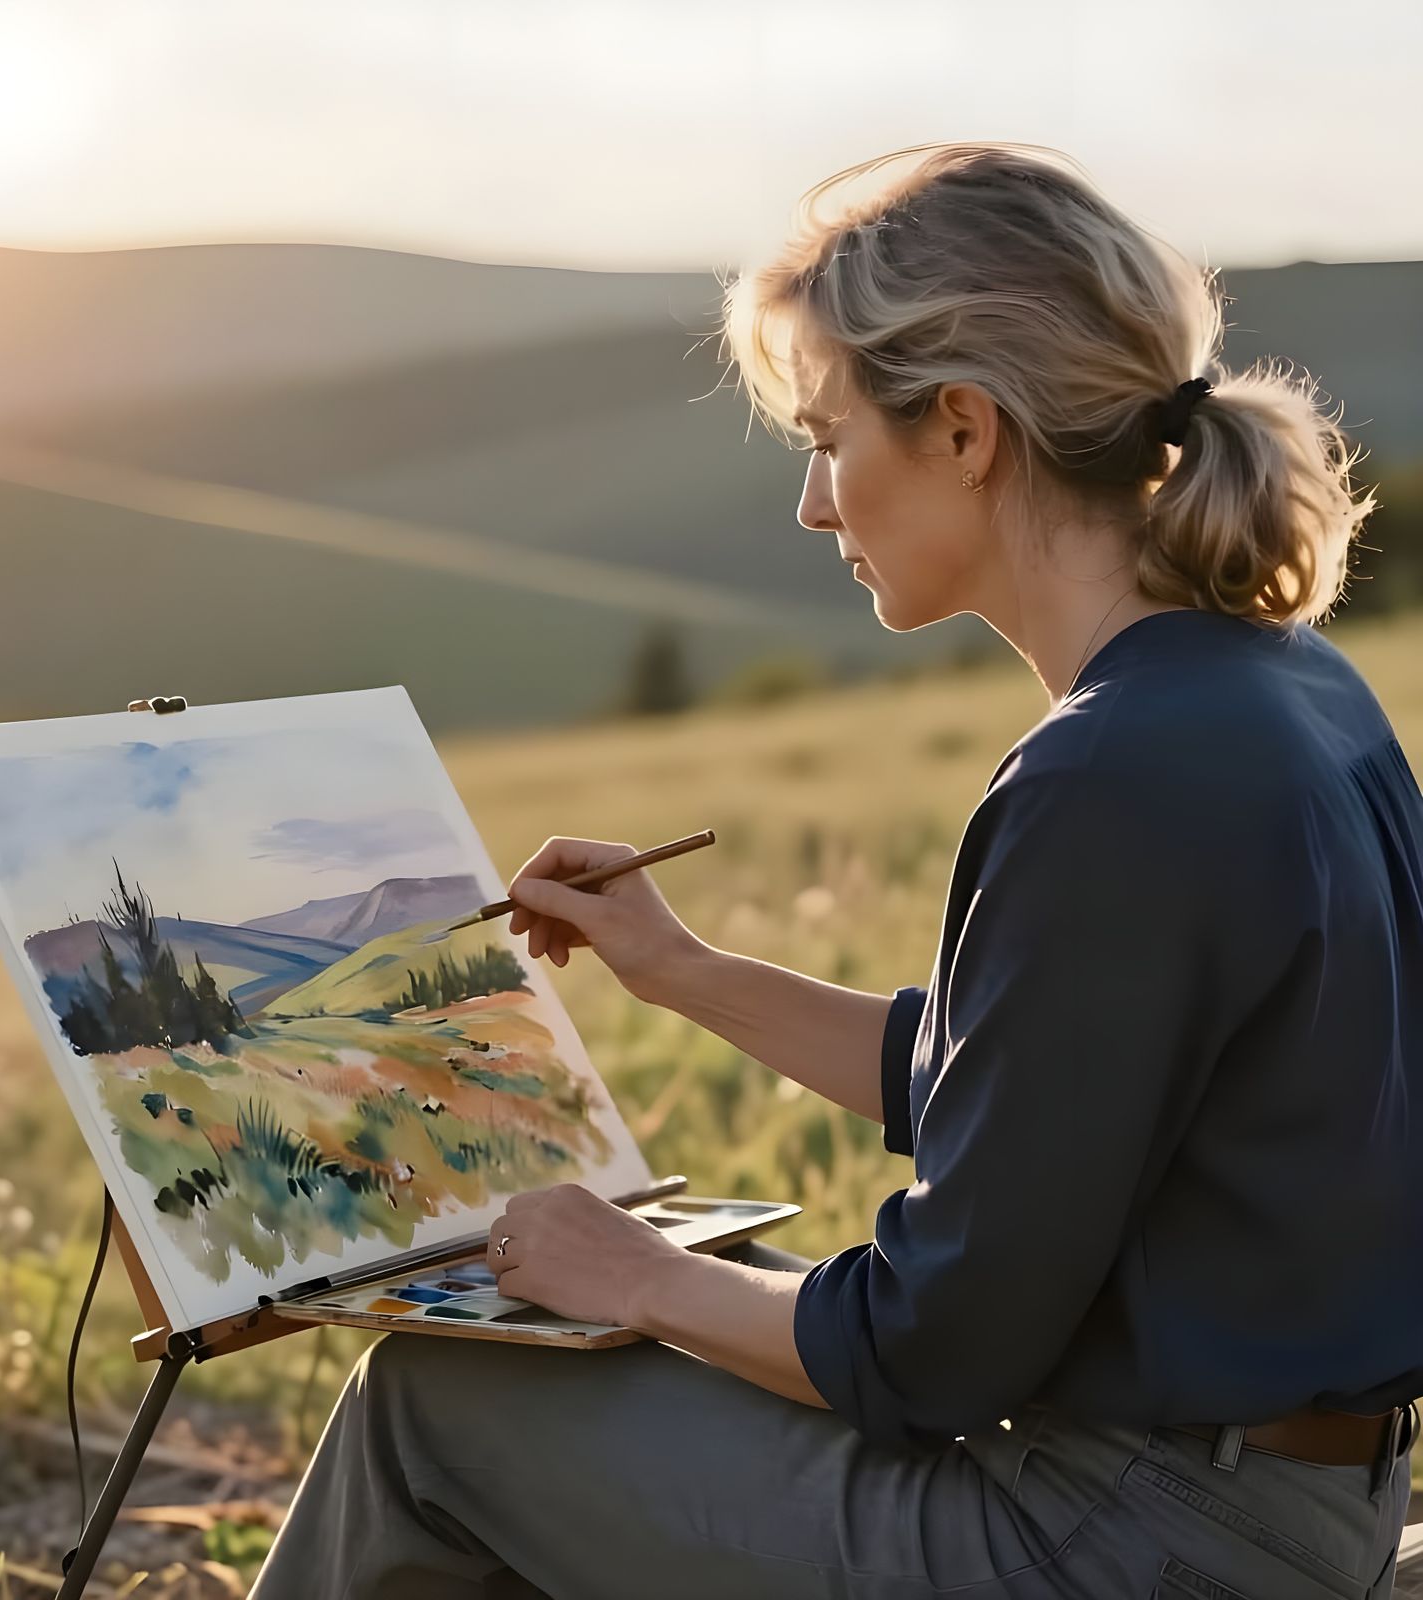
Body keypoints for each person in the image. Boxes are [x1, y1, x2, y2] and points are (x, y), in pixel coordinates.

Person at [249, 141, 1421, 1599]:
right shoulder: (1282, 687)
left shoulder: (1110, 777)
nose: (815, 503)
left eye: (827, 434)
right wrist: (682, 972)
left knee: (435, 1409)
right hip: (1272, 1500)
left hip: (1129, 1543)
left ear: (965, 430)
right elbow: (1020, 1097)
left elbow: (938, 1347)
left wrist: (640, 1278)